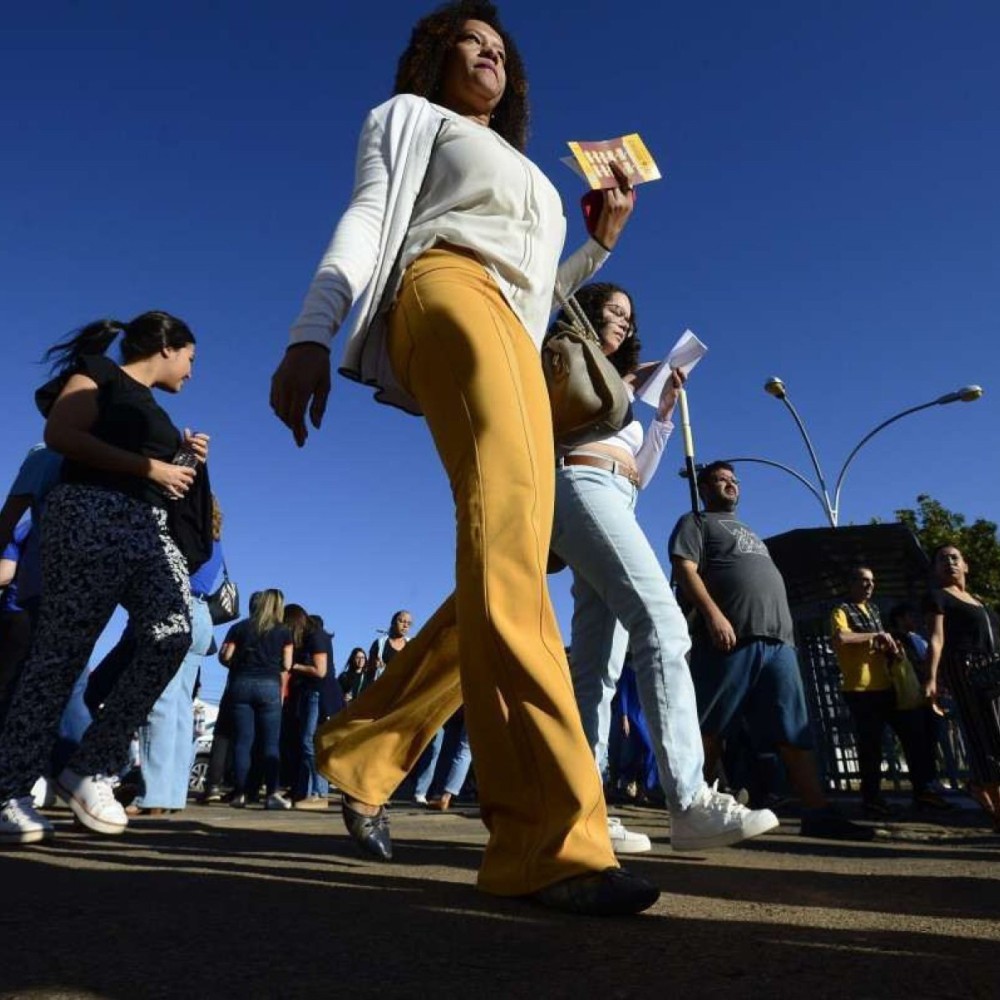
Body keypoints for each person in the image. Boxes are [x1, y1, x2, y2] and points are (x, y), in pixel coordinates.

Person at [269, 1, 656, 914]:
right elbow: (372, 217)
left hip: (512, 334)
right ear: (435, 59)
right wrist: (310, 334)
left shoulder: (528, 170)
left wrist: (598, 242)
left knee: (513, 557)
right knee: (510, 553)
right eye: (469, 43)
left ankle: (365, 746)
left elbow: (535, 294)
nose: (489, 56)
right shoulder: (410, 119)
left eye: (500, 49)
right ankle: (547, 839)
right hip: (440, 290)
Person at [549, 283, 779, 856]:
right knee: (663, 625)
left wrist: (664, 415)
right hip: (579, 484)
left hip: (616, 494)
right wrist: (628, 384)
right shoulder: (567, 359)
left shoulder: (624, 394)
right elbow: (569, 414)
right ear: (585, 313)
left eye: (629, 316)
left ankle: (583, 812)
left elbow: (639, 473)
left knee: (599, 665)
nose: (624, 323)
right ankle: (690, 800)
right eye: (612, 311)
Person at [0, 312, 206, 844]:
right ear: (167, 347)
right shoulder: (99, 373)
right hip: (88, 514)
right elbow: (61, 433)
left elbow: (160, 482)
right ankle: (9, 790)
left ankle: (88, 766)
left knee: (172, 632)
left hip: (143, 523)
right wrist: (150, 469)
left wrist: (181, 460)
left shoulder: (155, 411)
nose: (190, 370)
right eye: (190, 357)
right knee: (62, 653)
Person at [669, 461, 874, 841]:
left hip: (778, 642)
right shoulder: (695, 523)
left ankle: (817, 811)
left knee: (793, 729)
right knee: (711, 726)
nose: (730, 485)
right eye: (720, 479)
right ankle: (693, 810)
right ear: (704, 488)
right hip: (731, 637)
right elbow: (685, 569)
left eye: (734, 480)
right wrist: (714, 616)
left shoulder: (750, 531)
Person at [831, 566, 947, 815]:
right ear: (849, 583)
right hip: (861, 689)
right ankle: (872, 798)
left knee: (914, 739)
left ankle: (924, 792)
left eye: (872, 581)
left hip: (887, 686)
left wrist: (890, 648)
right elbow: (842, 638)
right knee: (871, 747)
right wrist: (877, 635)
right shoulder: (842, 610)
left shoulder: (872, 611)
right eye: (863, 581)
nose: (869, 585)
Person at [924, 544, 1000, 830]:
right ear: (935, 570)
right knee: (986, 737)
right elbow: (936, 639)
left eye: (955, 558)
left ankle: (979, 786)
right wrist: (931, 679)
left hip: (994, 669)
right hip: (967, 670)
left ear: (966, 565)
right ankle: (992, 800)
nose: (950, 563)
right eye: (942, 560)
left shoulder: (980, 601)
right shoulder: (938, 598)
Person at [218, 589, 294, 810]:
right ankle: (271, 794)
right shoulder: (283, 631)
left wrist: (240, 664)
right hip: (269, 686)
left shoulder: (239, 627)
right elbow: (287, 665)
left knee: (243, 742)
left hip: (240, 685)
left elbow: (226, 656)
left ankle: (239, 794)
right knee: (270, 743)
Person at [284, 604, 332, 809]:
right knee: (305, 742)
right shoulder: (310, 637)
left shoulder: (317, 636)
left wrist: (292, 666)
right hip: (308, 693)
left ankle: (320, 793)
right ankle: (306, 790)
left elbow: (320, 671)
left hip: (318, 694)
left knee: (308, 742)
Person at [368, 611, 412, 680]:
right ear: (393, 623)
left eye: (409, 623)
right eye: (401, 621)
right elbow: (369, 670)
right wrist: (374, 665)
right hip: (384, 687)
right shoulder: (379, 644)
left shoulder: (412, 644)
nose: (405, 626)